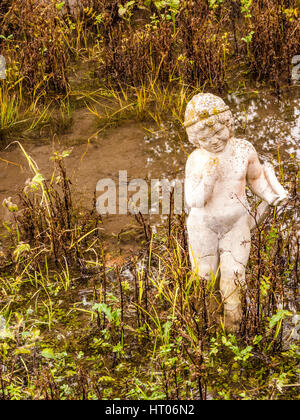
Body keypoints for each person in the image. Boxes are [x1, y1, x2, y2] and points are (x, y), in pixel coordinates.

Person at [184, 93, 288, 331]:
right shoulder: (196, 160)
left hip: (236, 224)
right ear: (195, 139)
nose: (214, 140)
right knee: (205, 278)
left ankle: (233, 328)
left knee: (234, 278)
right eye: (204, 136)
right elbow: (194, 201)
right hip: (204, 225)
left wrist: (272, 196)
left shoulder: (243, 150)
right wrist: (208, 181)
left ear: (228, 124)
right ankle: (207, 327)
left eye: (218, 131)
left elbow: (257, 177)